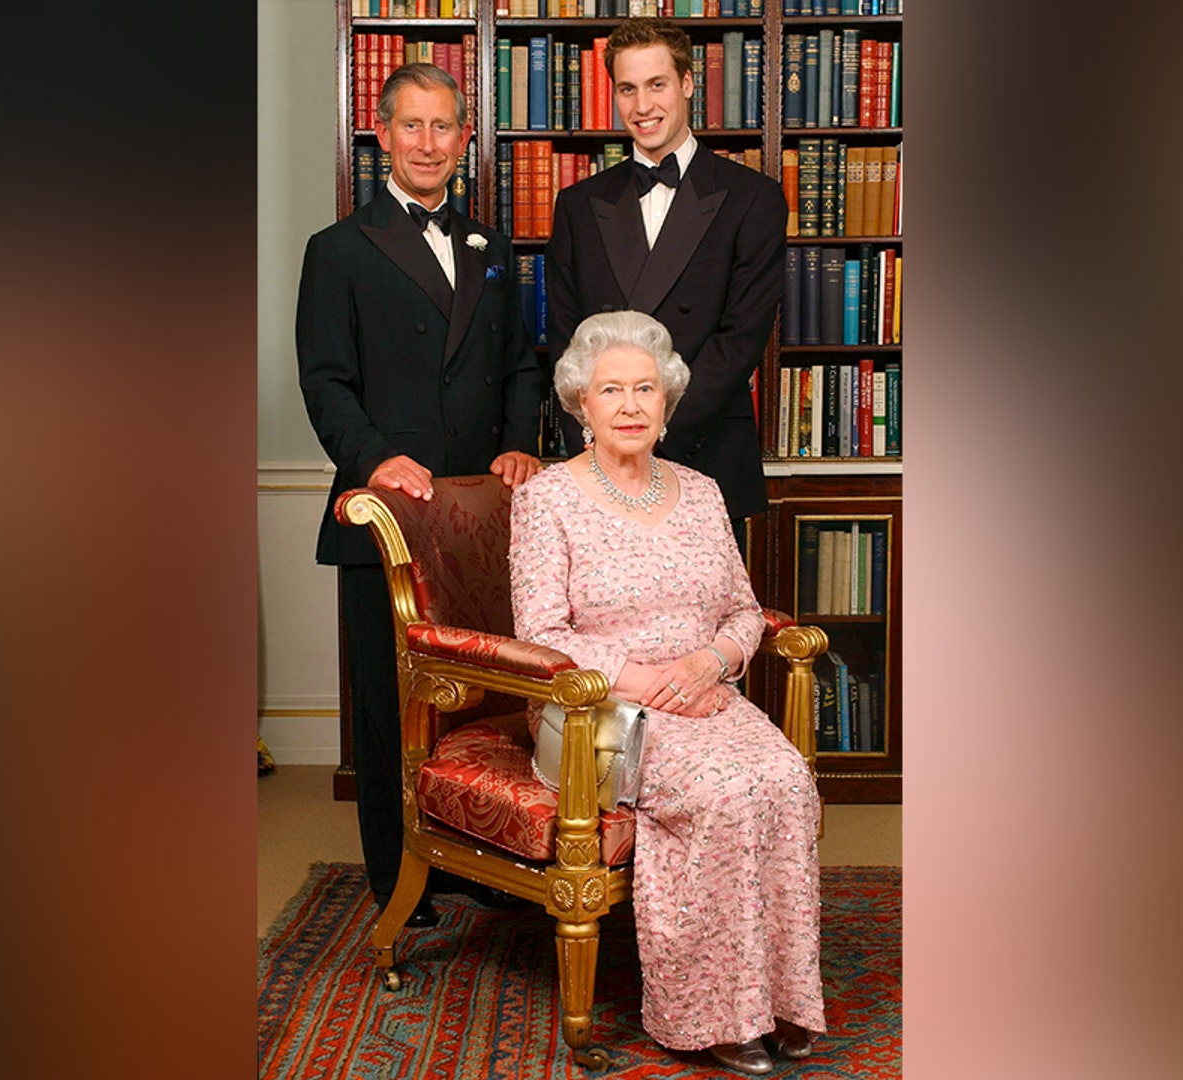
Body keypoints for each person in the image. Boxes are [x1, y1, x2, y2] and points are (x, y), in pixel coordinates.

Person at [509, 311, 824, 1075]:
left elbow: (744, 612)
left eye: (644, 389)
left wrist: (709, 665)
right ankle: (713, 1015)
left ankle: (778, 1001)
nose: (628, 404)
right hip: (597, 711)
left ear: (666, 403)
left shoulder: (705, 492)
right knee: (719, 794)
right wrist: (647, 681)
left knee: (783, 781)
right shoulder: (548, 499)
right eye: (609, 389)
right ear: (580, 403)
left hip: (703, 692)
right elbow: (540, 629)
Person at [297, 63, 543, 927]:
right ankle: (398, 876)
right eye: (412, 126)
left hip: (479, 517)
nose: (429, 143)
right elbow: (326, 382)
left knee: (475, 699)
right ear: (381, 134)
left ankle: (474, 859)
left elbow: (521, 364)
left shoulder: (492, 247)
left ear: (465, 140)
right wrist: (374, 459)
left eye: (445, 128)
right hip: (389, 513)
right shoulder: (337, 251)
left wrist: (520, 443)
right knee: (389, 702)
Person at [545, 17, 788, 552]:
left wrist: (650, 433)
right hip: (599, 466)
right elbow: (565, 337)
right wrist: (605, 445)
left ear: (687, 84)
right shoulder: (579, 205)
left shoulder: (753, 198)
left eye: (657, 85)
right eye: (627, 89)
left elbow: (740, 339)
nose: (642, 105)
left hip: (705, 455)